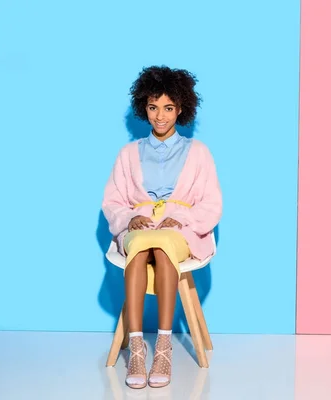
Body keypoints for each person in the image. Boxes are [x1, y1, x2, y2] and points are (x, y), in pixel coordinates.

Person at [102, 66, 222, 389]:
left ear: (181, 109)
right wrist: (129, 219)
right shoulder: (128, 154)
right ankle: (138, 349)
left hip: (180, 231)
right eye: (154, 107)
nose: (160, 116)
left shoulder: (198, 153)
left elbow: (212, 204)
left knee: (164, 244)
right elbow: (112, 201)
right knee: (141, 245)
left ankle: (164, 346)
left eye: (168, 108)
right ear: (145, 107)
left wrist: (184, 221)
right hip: (140, 228)